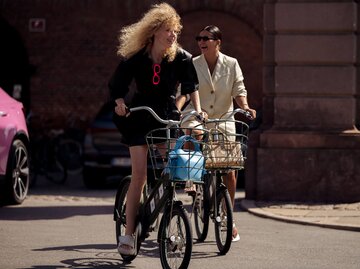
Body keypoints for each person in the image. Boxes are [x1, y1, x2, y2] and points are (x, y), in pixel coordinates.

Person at [108, 3, 205, 256]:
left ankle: (167, 210)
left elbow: (191, 86)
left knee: (172, 168)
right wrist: (120, 104)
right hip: (140, 114)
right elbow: (118, 85)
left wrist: (197, 110)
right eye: (167, 30)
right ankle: (128, 234)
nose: (173, 35)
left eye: (175, 30)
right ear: (154, 32)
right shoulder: (138, 57)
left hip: (166, 114)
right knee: (138, 176)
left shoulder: (181, 57)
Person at [178, 25, 256, 242]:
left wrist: (246, 106)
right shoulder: (192, 63)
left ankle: (228, 217)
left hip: (223, 119)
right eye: (199, 38)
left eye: (206, 38)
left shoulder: (231, 64)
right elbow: (184, 91)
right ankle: (192, 179)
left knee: (229, 172)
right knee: (193, 131)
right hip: (197, 114)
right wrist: (181, 108)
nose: (201, 42)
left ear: (218, 42)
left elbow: (239, 90)